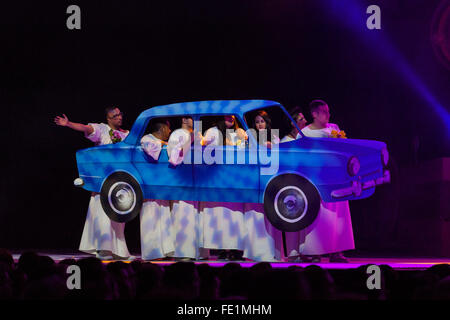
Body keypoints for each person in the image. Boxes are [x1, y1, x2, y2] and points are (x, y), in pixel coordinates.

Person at [54, 107, 133, 260]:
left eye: (120, 114)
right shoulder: (101, 129)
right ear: (108, 118)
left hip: (120, 180)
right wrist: (69, 123)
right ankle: (103, 249)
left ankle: (119, 251)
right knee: (102, 213)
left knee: (118, 214)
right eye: (115, 115)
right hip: (102, 179)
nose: (119, 117)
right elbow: (85, 127)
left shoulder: (127, 134)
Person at [299, 100, 355, 263]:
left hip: (335, 177)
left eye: (328, 111)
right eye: (324, 111)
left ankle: (336, 251)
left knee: (337, 215)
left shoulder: (334, 129)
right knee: (317, 214)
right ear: (314, 114)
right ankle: (314, 251)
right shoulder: (305, 132)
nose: (328, 114)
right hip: (315, 178)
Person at [200, 116, 247, 261]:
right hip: (217, 178)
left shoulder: (239, 131)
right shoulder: (212, 131)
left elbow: (243, 151)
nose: (231, 118)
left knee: (235, 214)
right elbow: (204, 148)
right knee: (219, 214)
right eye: (227, 115)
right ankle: (221, 248)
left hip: (234, 178)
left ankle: (236, 248)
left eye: (233, 115)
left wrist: (241, 141)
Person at [243, 111, 283, 261]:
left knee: (269, 214)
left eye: (262, 121)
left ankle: (272, 252)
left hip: (269, 179)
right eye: (257, 121)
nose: (259, 124)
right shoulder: (250, 138)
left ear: (267, 123)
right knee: (254, 215)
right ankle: (253, 251)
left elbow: (278, 155)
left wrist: (269, 146)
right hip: (253, 179)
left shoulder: (273, 137)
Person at [167, 116, 206, 260]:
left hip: (196, 179)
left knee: (196, 215)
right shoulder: (177, 134)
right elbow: (174, 156)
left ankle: (197, 252)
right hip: (182, 179)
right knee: (183, 214)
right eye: (191, 117)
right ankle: (183, 252)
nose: (195, 120)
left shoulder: (196, 134)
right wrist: (191, 139)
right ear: (184, 119)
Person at [140, 122, 175, 260]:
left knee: (164, 219)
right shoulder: (146, 139)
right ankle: (152, 252)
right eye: (168, 127)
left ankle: (165, 251)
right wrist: (163, 143)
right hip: (149, 185)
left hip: (162, 184)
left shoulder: (162, 141)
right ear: (162, 128)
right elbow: (152, 151)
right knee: (150, 218)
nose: (170, 130)